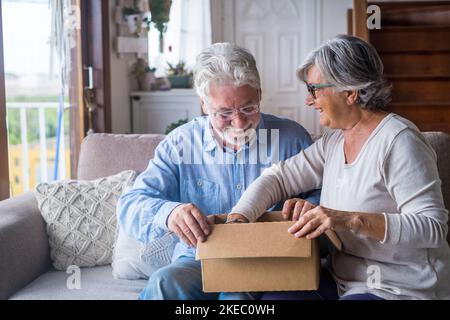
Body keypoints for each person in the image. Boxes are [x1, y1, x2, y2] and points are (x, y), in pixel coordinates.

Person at [229, 34, 450, 300]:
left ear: (350, 92)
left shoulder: (399, 141)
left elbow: (432, 228)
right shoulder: (333, 141)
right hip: (341, 280)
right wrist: (238, 218)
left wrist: (348, 219)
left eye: (314, 90)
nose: (309, 101)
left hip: (396, 288)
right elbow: (279, 178)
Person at [117, 42, 320, 300]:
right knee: (164, 283)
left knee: (236, 297)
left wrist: (309, 205)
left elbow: (326, 199)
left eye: (248, 108)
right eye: (224, 113)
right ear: (204, 104)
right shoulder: (181, 144)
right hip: (198, 261)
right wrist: (170, 213)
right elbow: (130, 205)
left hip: (266, 260)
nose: (239, 123)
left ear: (259, 94)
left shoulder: (291, 139)